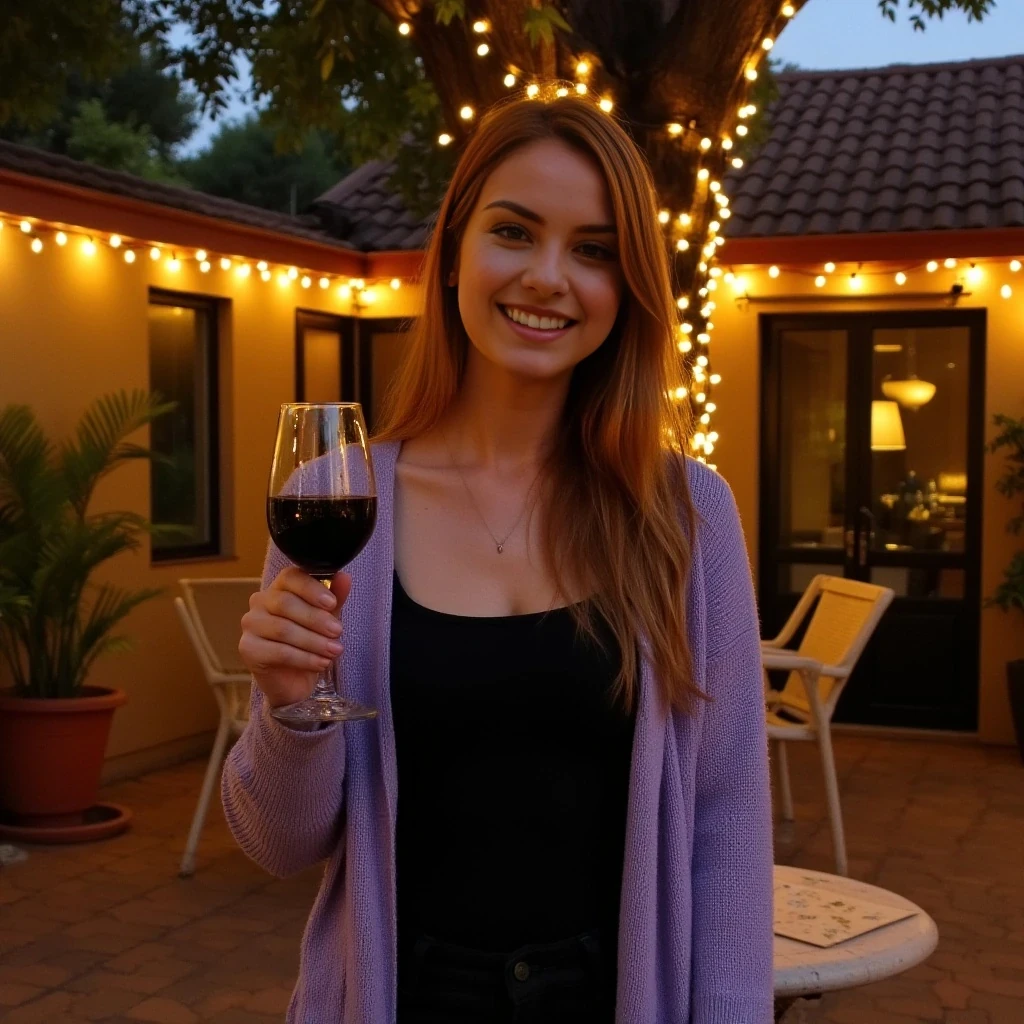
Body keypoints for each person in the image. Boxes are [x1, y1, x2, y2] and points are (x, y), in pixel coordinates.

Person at [227, 93, 773, 1023]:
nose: (549, 277)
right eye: (514, 232)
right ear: (453, 255)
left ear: (629, 285)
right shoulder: (335, 501)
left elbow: (725, 828)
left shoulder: (687, 515)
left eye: (594, 249)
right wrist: (289, 711)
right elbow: (280, 845)